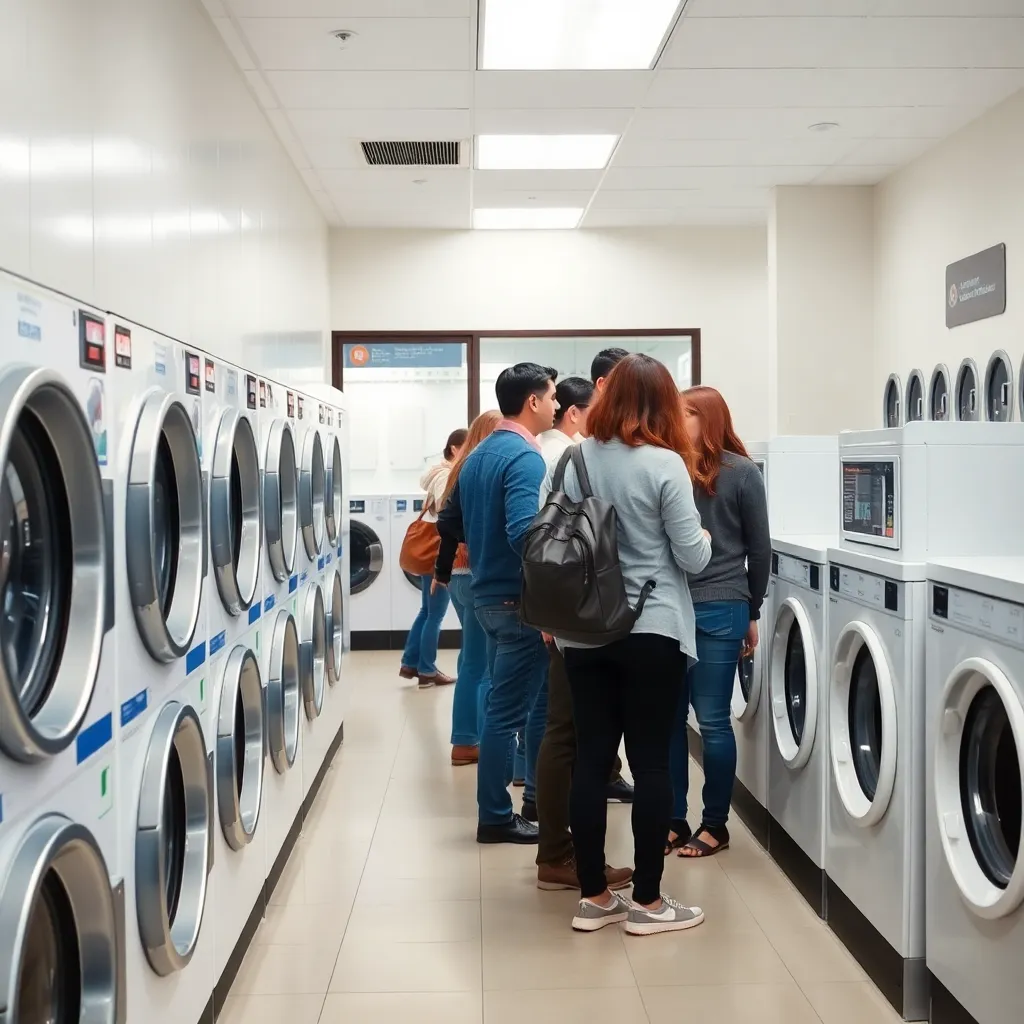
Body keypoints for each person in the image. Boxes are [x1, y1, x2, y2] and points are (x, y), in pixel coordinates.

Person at [547, 353, 713, 935]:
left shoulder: (572, 459)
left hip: (584, 630)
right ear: (663, 404)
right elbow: (693, 556)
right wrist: (705, 538)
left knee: (591, 759)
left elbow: (549, 534)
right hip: (653, 629)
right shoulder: (665, 465)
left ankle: (593, 896)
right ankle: (647, 902)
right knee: (649, 762)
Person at [434, 363, 558, 844]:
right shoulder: (525, 458)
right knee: (510, 712)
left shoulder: (481, 452)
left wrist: (483, 548)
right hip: (517, 598)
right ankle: (496, 816)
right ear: (532, 402)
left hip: (487, 592)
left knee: (518, 703)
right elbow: (523, 531)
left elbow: (453, 520)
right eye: (550, 397)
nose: (556, 405)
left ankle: (519, 805)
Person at [533, 374, 634, 892]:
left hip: (572, 612)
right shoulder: (570, 457)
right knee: (570, 734)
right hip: (589, 615)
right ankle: (555, 855)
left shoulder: (566, 459)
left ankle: (560, 850)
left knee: (567, 733)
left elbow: (543, 537)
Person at [667, 386, 771, 857]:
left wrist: (753, 610)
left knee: (710, 720)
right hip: (673, 608)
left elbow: (760, 550)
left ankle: (713, 825)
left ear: (708, 419)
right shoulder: (669, 465)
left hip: (718, 605)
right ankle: (673, 819)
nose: (677, 419)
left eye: (687, 412)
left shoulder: (740, 471)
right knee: (669, 721)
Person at [439, 410, 502, 767]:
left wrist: (441, 570)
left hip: (458, 578)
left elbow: (445, 526)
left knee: (470, 659)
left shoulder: (459, 471)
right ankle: (468, 741)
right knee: (482, 667)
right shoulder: (485, 471)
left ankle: (467, 736)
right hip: (478, 576)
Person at [399, 428, 467, 688]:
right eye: (467, 446)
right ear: (454, 449)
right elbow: (447, 511)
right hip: (439, 553)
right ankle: (427, 670)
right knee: (435, 613)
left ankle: (410, 662)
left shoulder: (437, 472)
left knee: (427, 610)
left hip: (430, 551)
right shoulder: (447, 475)